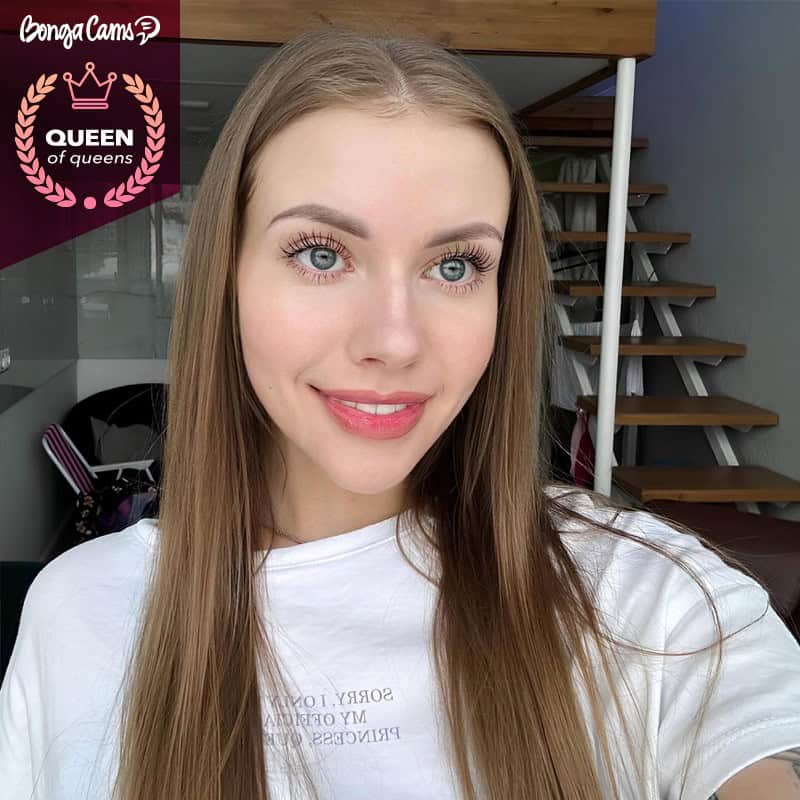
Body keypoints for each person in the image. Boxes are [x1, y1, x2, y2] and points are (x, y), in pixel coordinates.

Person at [1, 26, 800, 800]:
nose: (394, 341)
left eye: (455, 266)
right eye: (321, 254)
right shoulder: (81, 612)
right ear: (227, 277)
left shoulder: (640, 597)